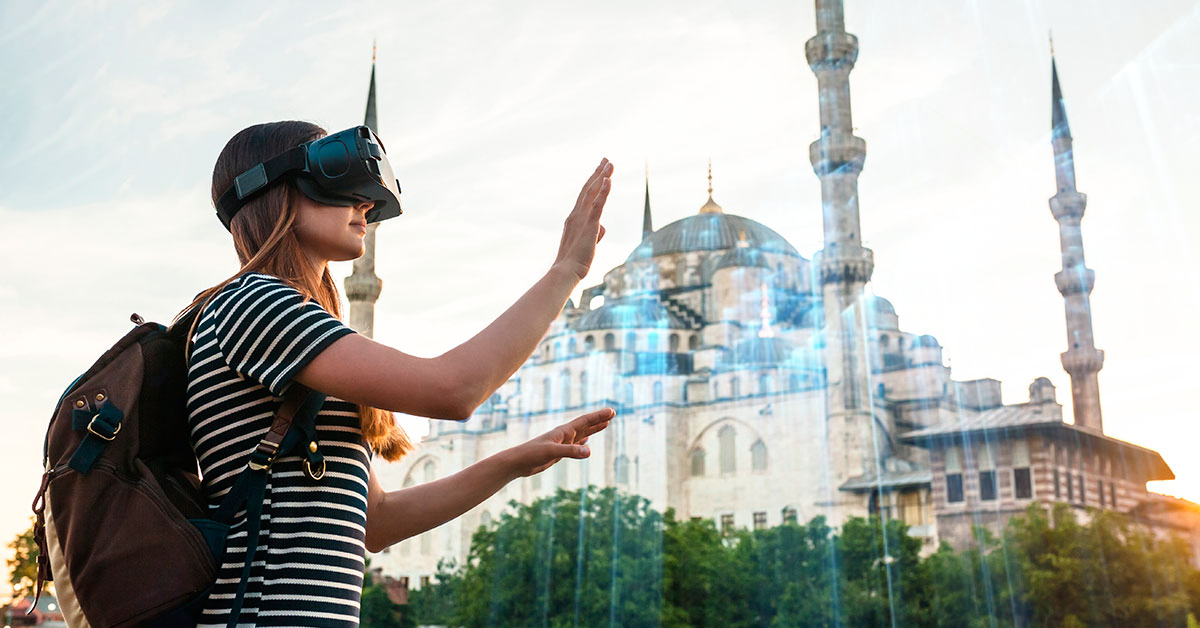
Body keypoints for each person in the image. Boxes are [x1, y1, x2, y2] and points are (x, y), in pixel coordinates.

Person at [180, 120, 615, 626]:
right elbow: (453, 389)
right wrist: (566, 272)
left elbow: (374, 523)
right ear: (274, 193)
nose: (364, 203)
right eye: (337, 179)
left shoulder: (293, 328)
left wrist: (512, 462)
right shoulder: (254, 303)